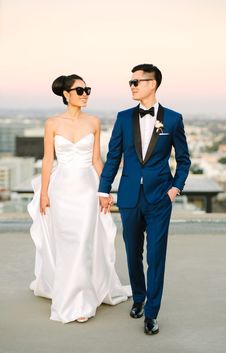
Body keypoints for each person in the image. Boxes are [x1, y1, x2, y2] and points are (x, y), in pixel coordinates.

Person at [28, 74, 131, 324]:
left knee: (84, 243)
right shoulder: (52, 123)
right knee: (67, 244)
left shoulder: (93, 122)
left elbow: (97, 160)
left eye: (88, 90)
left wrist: (105, 191)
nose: (85, 94)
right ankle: (66, 294)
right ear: (66, 94)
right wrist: (43, 193)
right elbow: (48, 160)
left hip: (87, 189)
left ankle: (82, 300)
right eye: (80, 90)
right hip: (60, 190)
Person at [98, 64, 191, 335]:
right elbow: (114, 156)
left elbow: (183, 160)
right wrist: (104, 190)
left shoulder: (173, 119)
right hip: (128, 196)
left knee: (156, 256)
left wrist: (175, 189)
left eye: (137, 81)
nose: (132, 86)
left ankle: (151, 312)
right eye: (130, 82)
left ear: (153, 84)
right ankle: (138, 297)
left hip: (160, 197)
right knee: (132, 252)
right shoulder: (123, 117)